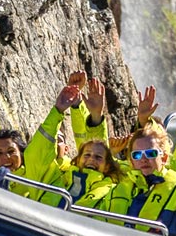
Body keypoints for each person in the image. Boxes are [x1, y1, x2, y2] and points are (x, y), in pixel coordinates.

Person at [24, 76, 122, 210]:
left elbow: (98, 145)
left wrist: (96, 116)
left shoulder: (112, 192)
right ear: (77, 159)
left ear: (107, 167)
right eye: (86, 155)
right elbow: (36, 155)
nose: (91, 159)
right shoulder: (55, 179)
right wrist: (57, 110)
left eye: (98, 158)